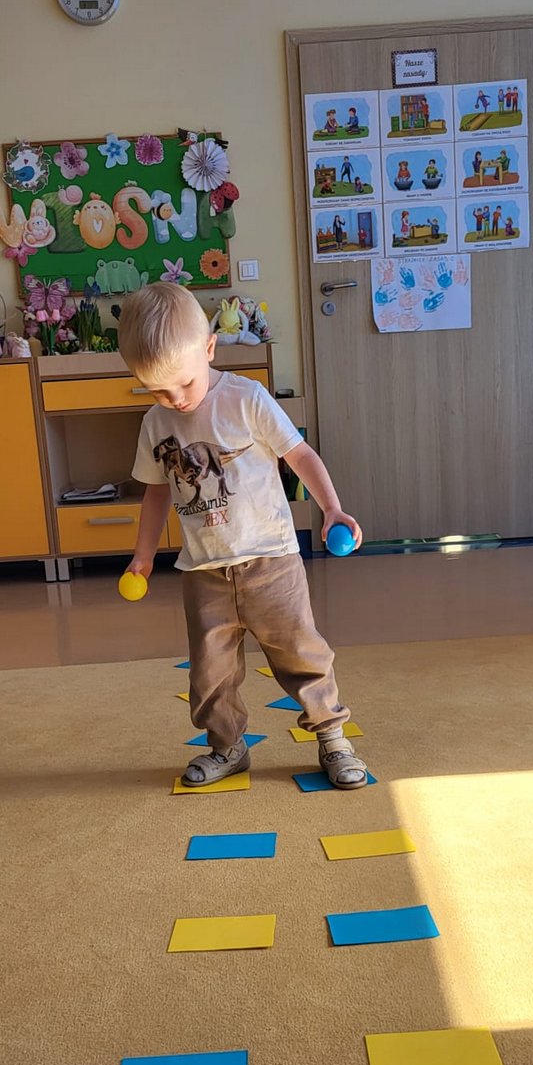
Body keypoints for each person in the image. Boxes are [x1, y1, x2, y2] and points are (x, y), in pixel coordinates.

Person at [118, 284, 368, 789]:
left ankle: (332, 736)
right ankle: (227, 747)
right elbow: (155, 493)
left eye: (184, 384)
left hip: (271, 561)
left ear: (209, 348)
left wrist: (332, 508)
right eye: (157, 391)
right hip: (203, 571)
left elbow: (299, 454)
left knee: (302, 655)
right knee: (210, 673)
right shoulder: (155, 424)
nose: (175, 400)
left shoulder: (246, 398)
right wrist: (142, 557)